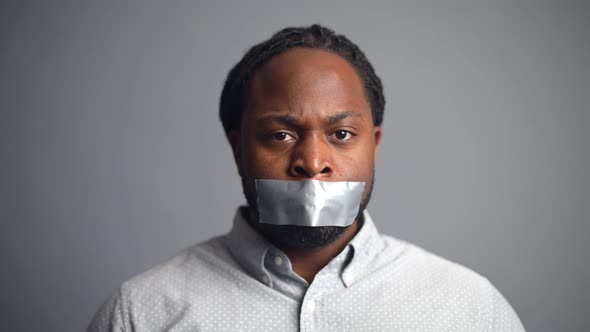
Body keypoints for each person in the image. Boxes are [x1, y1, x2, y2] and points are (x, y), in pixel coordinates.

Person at [88, 24, 524, 331]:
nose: (313, 162)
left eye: (341, 134)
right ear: (238, 149)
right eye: (281, 134)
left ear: (373, 143)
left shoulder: (470, 308)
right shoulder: (141, 314)